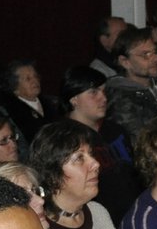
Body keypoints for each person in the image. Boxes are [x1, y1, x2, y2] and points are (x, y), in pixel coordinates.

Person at [56, 66, 140, 220]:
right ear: (74, 99)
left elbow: (135, 174)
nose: (103, 98)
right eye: (93, 92)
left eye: (103, 91)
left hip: (133, 213)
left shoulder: (116, 130)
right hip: (98, 219)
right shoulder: (63, 140)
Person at [104, 26, 157, 143]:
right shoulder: (119, 99)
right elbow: (140, 144)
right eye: (146, 54)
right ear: (125, 62)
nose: (156, 59)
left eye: (155, 52)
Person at [2, 60, 51, 144]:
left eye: (36, 76)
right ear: (15, 87)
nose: (35, 81)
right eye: (28, 79)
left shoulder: (50, 104)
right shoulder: (13, 112)